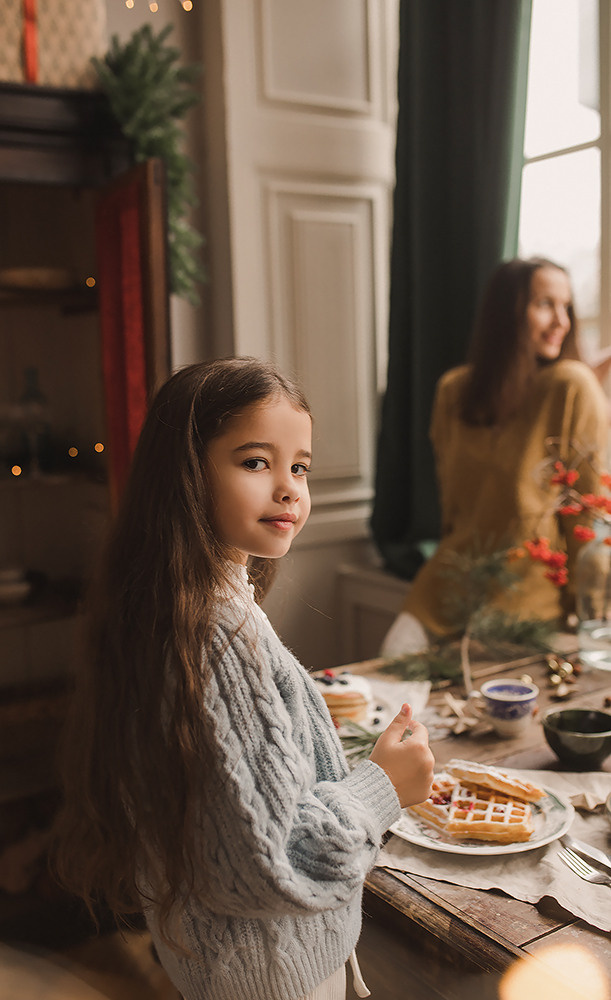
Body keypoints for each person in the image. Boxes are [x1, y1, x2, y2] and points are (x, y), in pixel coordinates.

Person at [54, 357, 434, 1000]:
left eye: (300, 467)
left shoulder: (182, 607)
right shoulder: (213, 635)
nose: (289, 488)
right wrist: (382, 787)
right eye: (256, 462)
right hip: (273, 979)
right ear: (185, 474)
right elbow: (271, 862)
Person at [381, 257, 609, 659]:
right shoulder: (454, 390)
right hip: (445, 588)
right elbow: (452, 506)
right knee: (389, 665)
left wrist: (587, 609)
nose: (562, 321)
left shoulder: (571, 385)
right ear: (506, 313)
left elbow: (588, 514)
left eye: (566, 307)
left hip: (529, 604)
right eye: (545, 304)